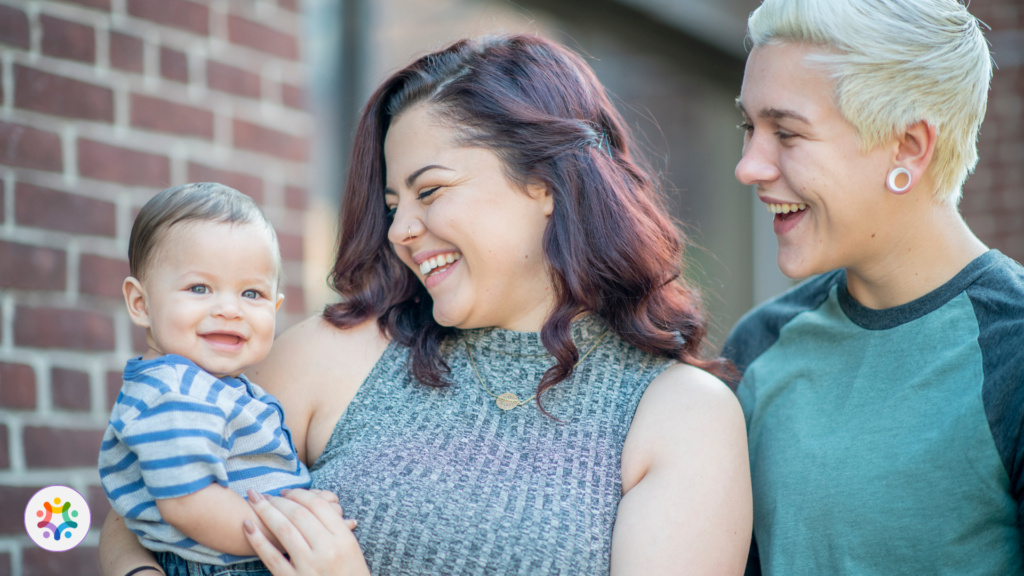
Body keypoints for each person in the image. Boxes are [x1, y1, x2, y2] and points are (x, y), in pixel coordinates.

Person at [100, 35, 752, 575]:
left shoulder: (678, 414)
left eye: (430, 191)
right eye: (391, 206)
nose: (399, 231)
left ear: (545, 183)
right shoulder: (338, 350)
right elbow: (146, 502)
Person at [723, 0, 1024, 574]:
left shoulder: (1015, 352)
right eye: (749, 127)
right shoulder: (759, 347)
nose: (749, 166)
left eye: (785, 132)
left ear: (908, 146)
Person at [99, 183, 348, 576]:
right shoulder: (175, 390)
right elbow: (188, 502)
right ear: (141, 303)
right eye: (200, 288)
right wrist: (289, 530)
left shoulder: (210, 385)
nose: (230, 309)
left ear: (276, 307)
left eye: (252, 293)